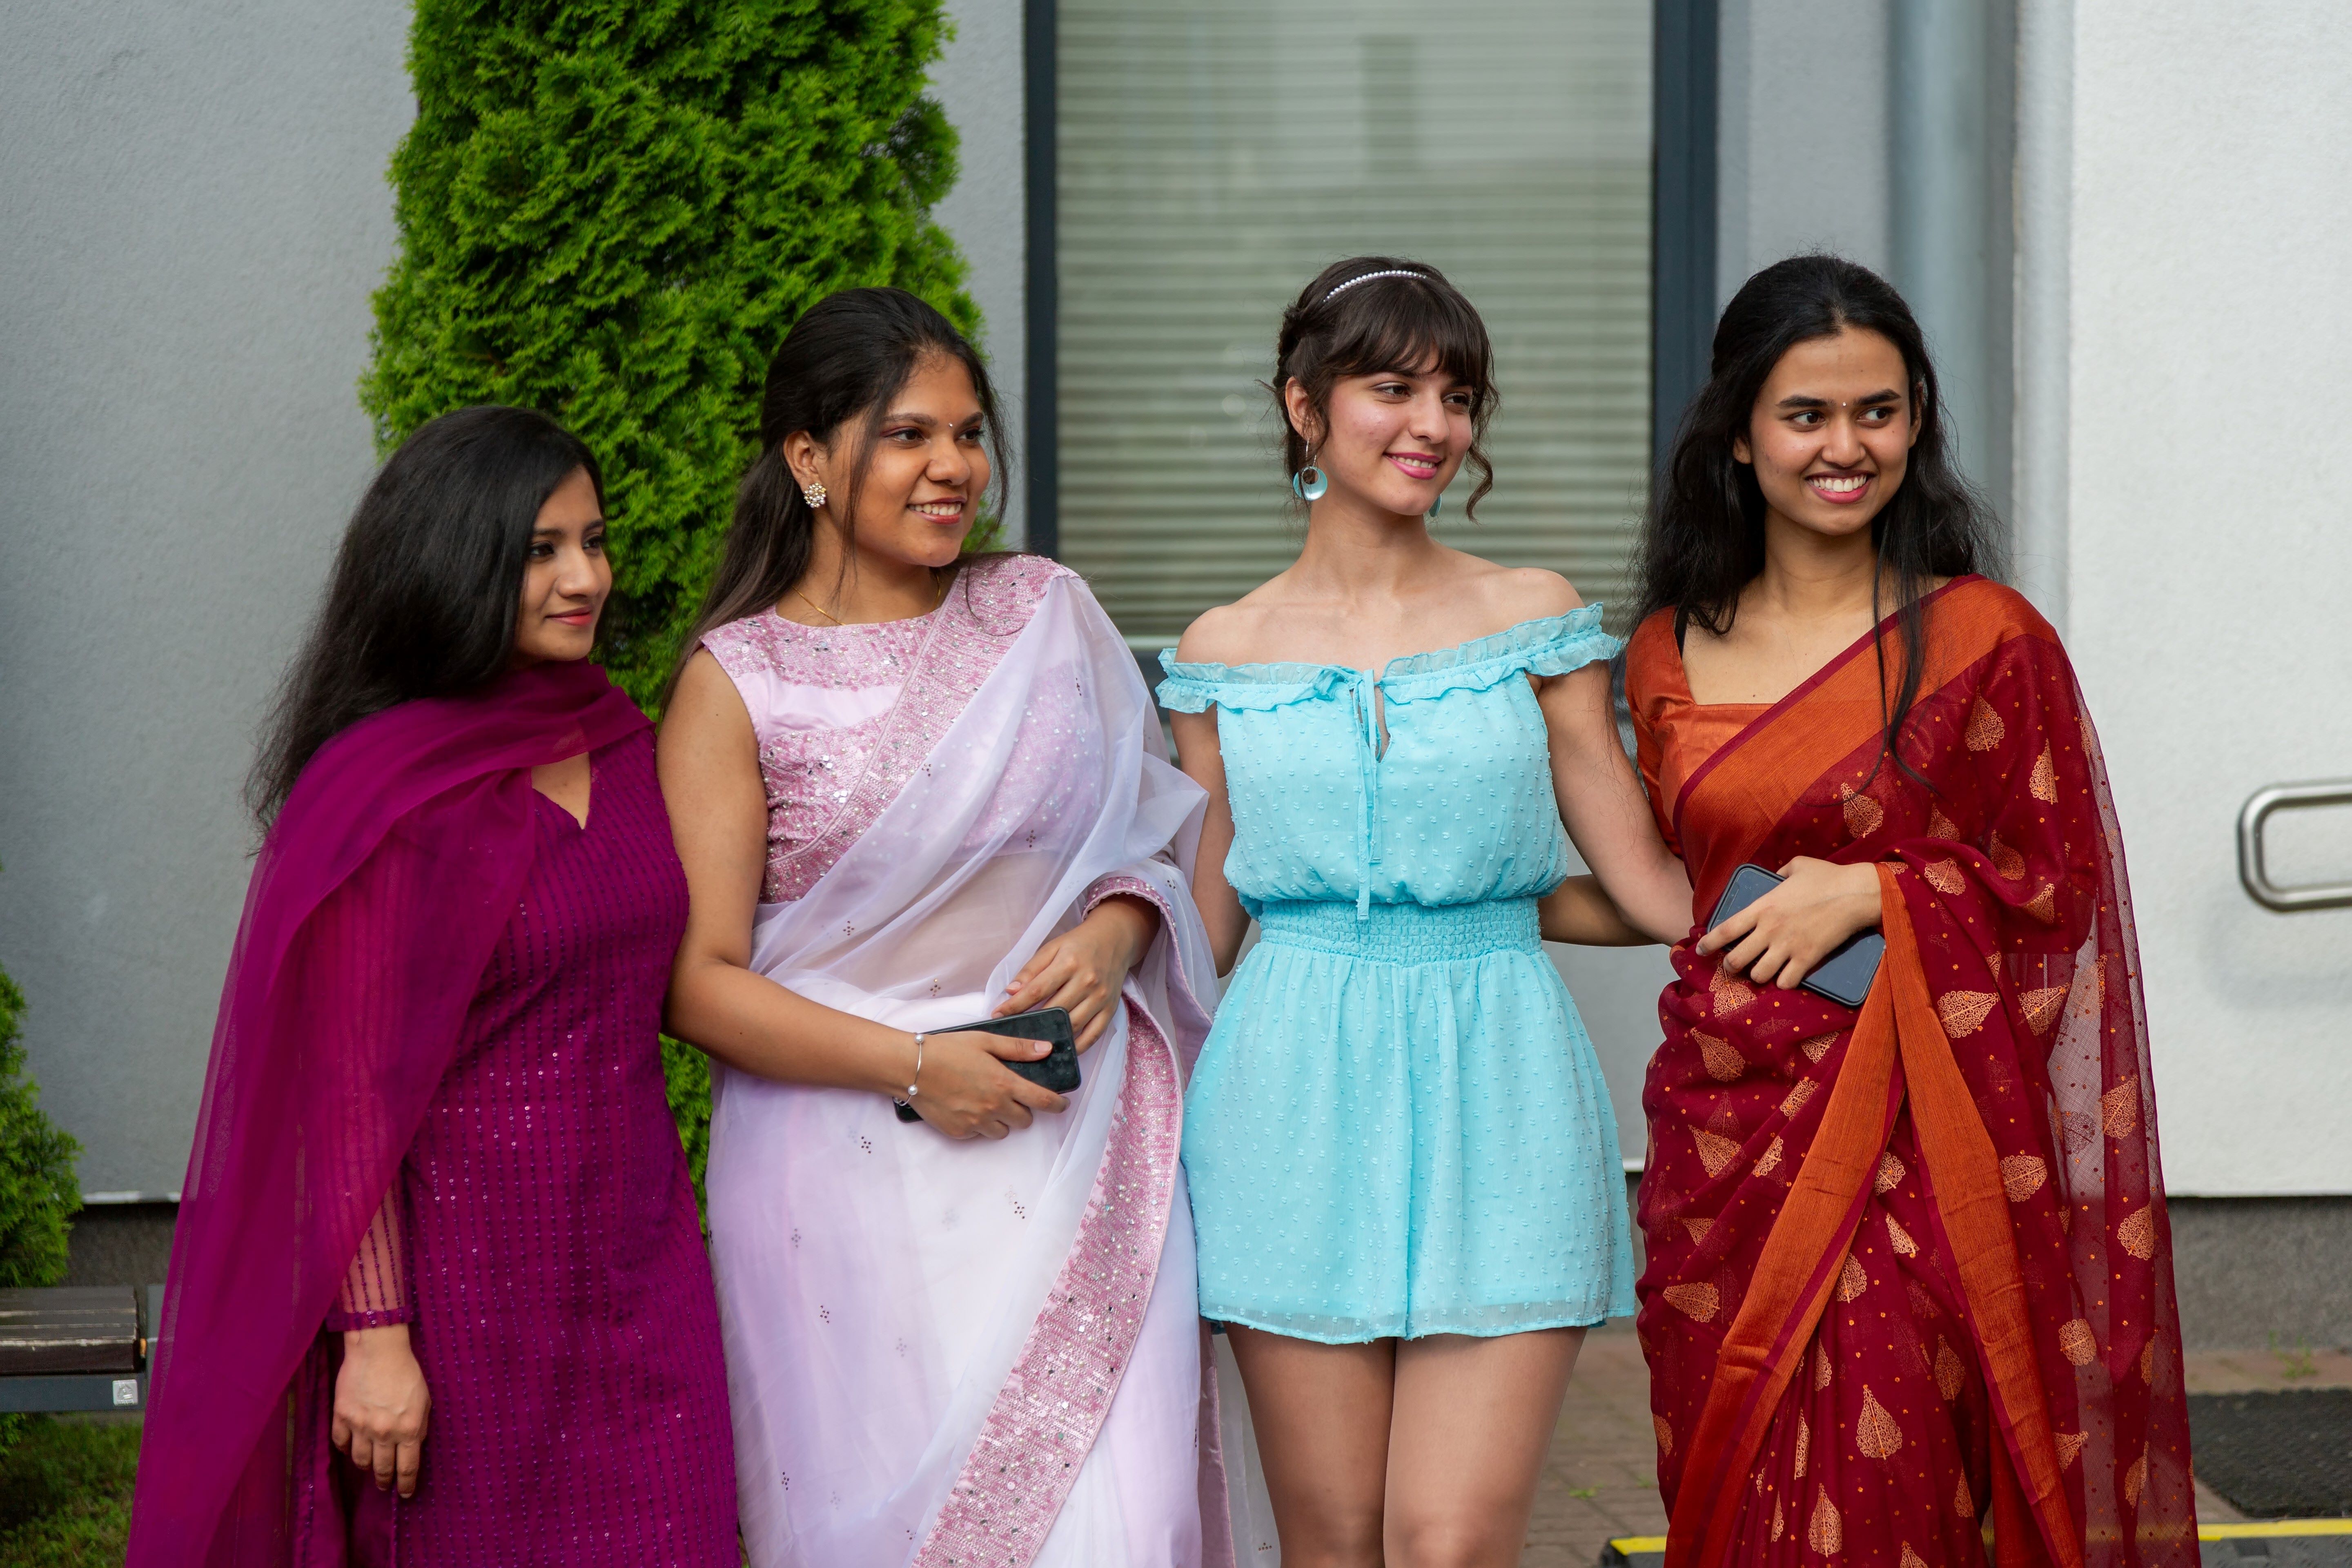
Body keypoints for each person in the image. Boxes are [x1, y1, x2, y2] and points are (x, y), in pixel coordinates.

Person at [1624, 254, 2195, 1568]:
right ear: (1739, 435)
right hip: (1723, 1142)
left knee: (1888, 1492)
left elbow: (2062, 891)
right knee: (1734, 1488)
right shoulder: (1666, 648)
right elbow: (1678, 888)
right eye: (1807, 415)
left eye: (1877, 412)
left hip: (1922, 1147)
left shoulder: (1986, 637)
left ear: (1918, 420)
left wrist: (1876, 890)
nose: (1846, 447)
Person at [658, 286, 1228, 1568]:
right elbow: (698, 982)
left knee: (1121, 1527)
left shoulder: (1042, 612)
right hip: (847, 1161)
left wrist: (1115, 936)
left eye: (968, 434)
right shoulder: (738, 681)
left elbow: (1144, 836)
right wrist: (920, 1065)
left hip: (1071, 1136)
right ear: (809, 459)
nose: (954, 467)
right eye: (909, 435)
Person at [127, 406, 737, 1565]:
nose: (585, 578)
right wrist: (375, 1335)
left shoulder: (626, 745)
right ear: (458, 561)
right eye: (540, 550)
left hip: (641, 1265)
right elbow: (343, 1091)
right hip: (464, 1300)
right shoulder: (389, 787)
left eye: (593, 541)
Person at [1158, 257, 1691, 1567]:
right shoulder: (1220, 653)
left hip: (1499, 1080)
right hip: (1288, 1095)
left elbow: (1650, 890)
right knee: (1334, 1540)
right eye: (1393, 389)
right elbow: (1204, 927)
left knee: (1449, 1541)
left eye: (1457, 396)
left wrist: (1861, 890)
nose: (1433, 425)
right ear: (1304, 407)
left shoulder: (1535, 617)